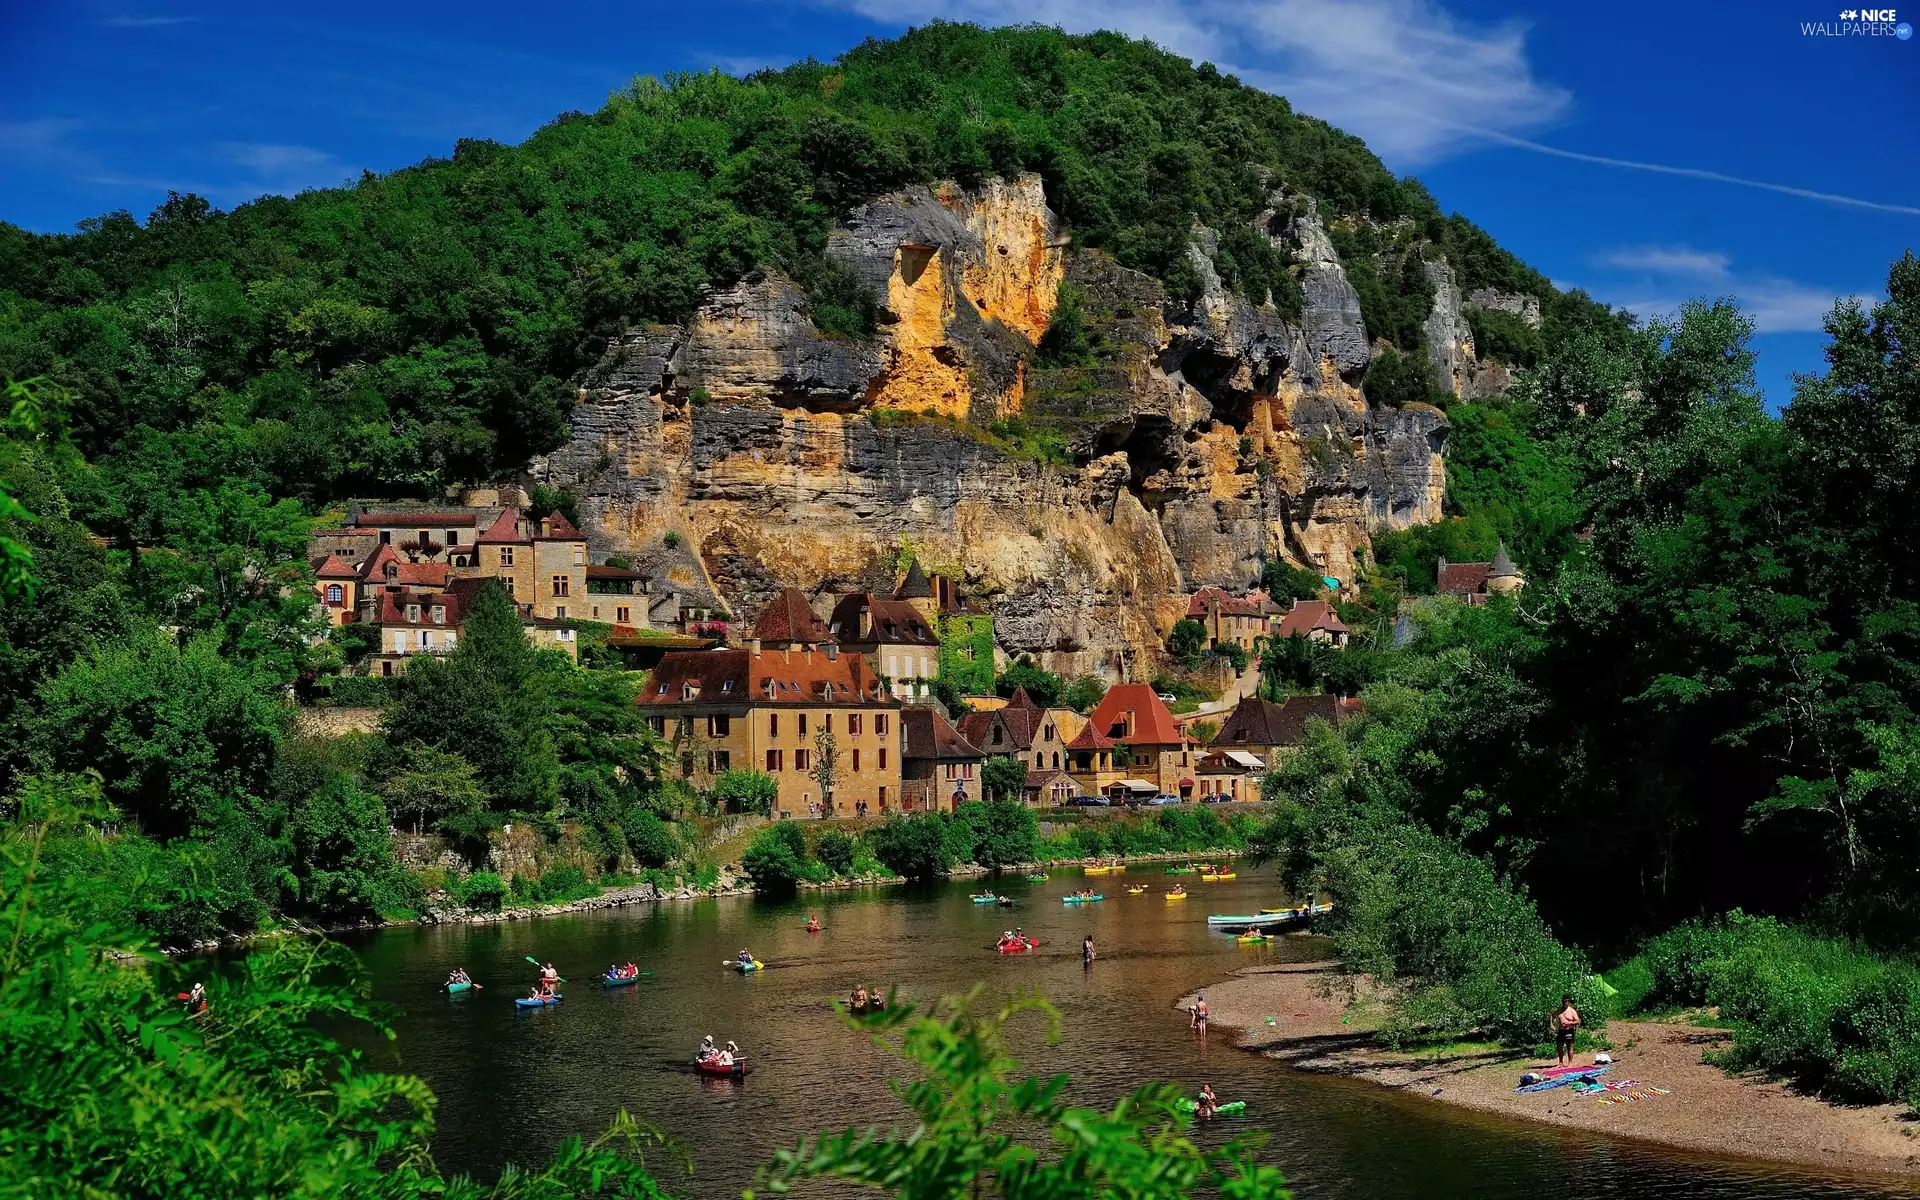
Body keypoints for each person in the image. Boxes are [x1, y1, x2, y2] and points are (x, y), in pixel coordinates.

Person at [1552, 994, 1582, 1065]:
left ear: (1568, 1002)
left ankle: (1570, 1063)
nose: (1565, 1003)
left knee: (1569, 1046)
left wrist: (1569, 1023)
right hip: (1561, 1031)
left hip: (1569, 1030)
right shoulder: (1559, 1010)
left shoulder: (1572, 1011)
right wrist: (1551, 1024)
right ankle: (1560, 1063)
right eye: (1563, 1001)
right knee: (1559, 1046)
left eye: (1566, 1001)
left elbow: (1578, 1021)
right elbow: (1552, 1015)